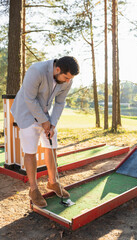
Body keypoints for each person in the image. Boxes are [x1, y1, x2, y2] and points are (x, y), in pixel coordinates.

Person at [11, 56, 80, 208]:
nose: (68, 81)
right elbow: (29, 99)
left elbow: (60, 102)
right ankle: (34, 190)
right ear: (57, 70)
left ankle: (53, 182)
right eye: (66, 77)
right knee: (30, 151)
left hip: (44, 114)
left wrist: (52, 124)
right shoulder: (36, 70)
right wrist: (44, 121)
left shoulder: (67, 80)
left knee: (52, 146)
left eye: (71, 78)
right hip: (26, 113)